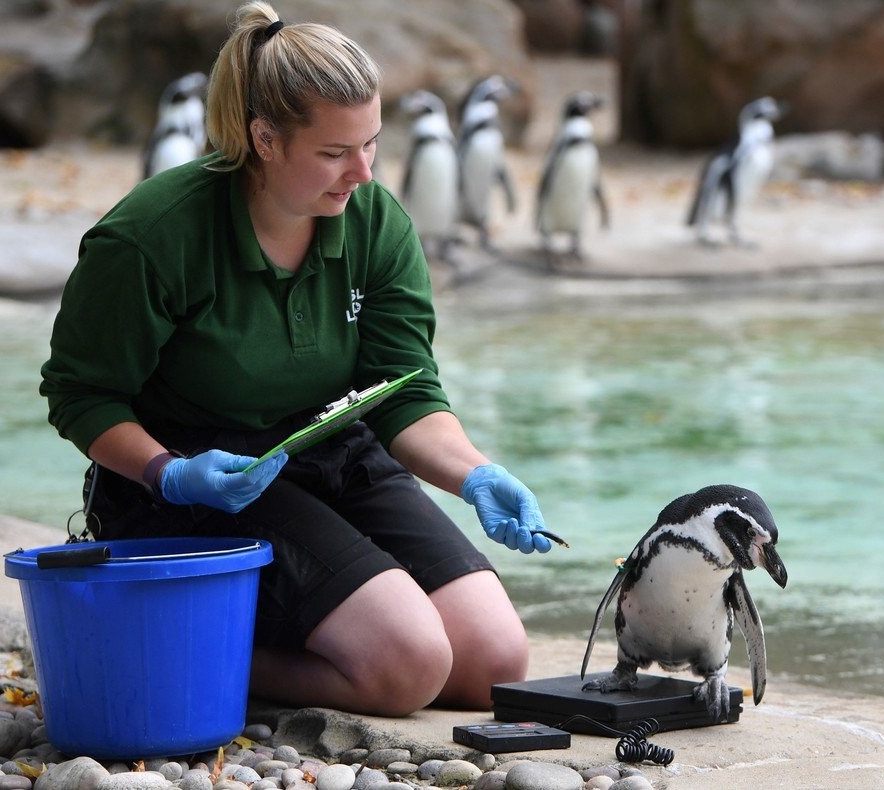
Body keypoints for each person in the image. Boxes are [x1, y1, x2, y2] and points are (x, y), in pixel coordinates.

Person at [40, 0, 553, 717]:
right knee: (409, 668)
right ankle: (178, 642)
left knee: (491, 662)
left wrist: (476, 475)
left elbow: (402, 392)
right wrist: (171, 474)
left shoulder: (373, 221)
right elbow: (79, 394)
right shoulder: (153, 235)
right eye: (336, 153)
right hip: (198, 478)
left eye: (372, 144)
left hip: (329, 447)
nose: (364, 175)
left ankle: (322, 635)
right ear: (266, 139)